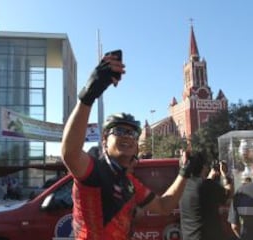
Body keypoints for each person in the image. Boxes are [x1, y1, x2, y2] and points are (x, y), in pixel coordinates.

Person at [61, 51, 193, 240]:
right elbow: (70, 153)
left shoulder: (129, 183)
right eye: (120, 131)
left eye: (132, 133)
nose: (128, 137)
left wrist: (184, 173)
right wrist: (88, 96)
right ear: (105, 141)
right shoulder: (95, 171)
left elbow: (164, 206)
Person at [180, 154, 228, 240]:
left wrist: (210, 177)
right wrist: (224, 174)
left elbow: (201, 190)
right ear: (204, 167)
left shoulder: (182, 186)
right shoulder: (207, 185)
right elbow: (227, 194)